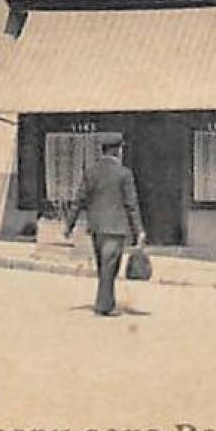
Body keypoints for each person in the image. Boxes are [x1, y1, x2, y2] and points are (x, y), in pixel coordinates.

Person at [63, 132, 142, 317]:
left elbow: (78, 200)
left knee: (104, 267)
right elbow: (132, 205)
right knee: (110, 267)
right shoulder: (124, 174)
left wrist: (69, 224)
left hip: (97, 228)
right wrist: (139, 231)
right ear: (117, 150)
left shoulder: (91, 172)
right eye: (121, 148)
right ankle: (104, 305)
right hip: (115, 228)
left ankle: (107, 302)